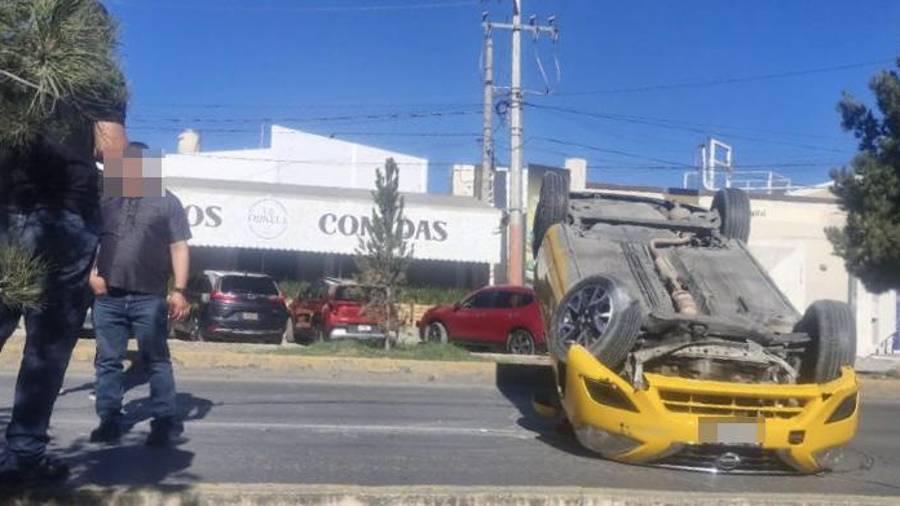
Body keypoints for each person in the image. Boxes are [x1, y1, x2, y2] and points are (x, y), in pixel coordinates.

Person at [0, 82, 127, 485]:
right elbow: (116, 154)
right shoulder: (99, 77)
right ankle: (23, 456)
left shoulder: (11, 67)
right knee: (47, 348)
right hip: (64, 218)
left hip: (3, 211)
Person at [88, 143, 191, 447]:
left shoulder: (167, 201)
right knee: (108, 361)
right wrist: (90, 275)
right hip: (109, 297)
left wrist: (180, 290)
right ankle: (109, 421)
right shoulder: (105, 199)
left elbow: (179, 246)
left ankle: (165, 422)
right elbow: (90, 240)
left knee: (156, 360)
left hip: (150, 297)